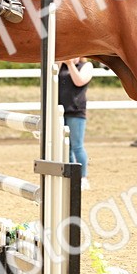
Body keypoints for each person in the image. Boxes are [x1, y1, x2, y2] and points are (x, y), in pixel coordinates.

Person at [58, 57, 94, 190]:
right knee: (66, 148)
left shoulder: (86, 66)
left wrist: (70, 64)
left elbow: (78, 81)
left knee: (77, 146)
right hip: (60, 111)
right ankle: (71, 177)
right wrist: (61, 62)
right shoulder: (60, 66)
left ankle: (83, 177)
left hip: (76, 111)